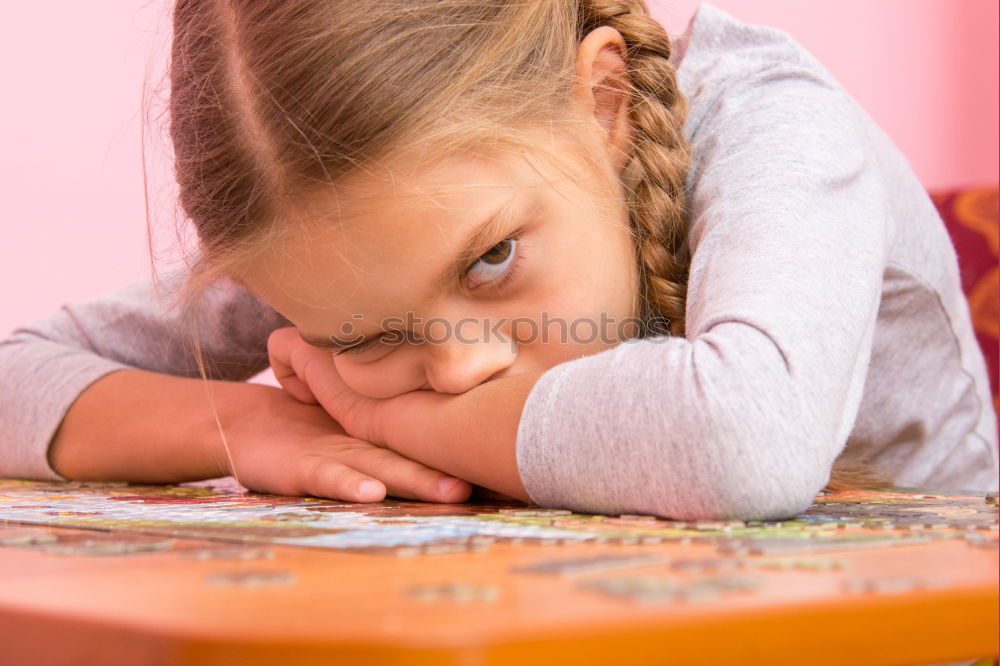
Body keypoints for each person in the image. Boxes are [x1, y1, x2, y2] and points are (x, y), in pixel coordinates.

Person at [0, 1, 995, 521]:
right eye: (365, 335)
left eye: (492, 260)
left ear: (600, 104)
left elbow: (744, 440)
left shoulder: (770, 120)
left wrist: (369, 406)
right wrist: (249, 425)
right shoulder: (342, 244)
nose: (460, 367)